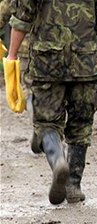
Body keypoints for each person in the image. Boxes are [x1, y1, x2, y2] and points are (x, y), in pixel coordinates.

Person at [7, 0, 97, 204]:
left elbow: (22, 17)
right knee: (81, 125)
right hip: (85, 61)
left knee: (46, 122)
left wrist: (12, 55)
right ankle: (73, 185)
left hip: (46, 62)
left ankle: (58, 160)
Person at [0, 0, 39, 153]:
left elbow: (6, 7)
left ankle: (37, 120)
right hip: (51, 46)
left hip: (24, 46)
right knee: (47, 87)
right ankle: (47, 126)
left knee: (28, 88)